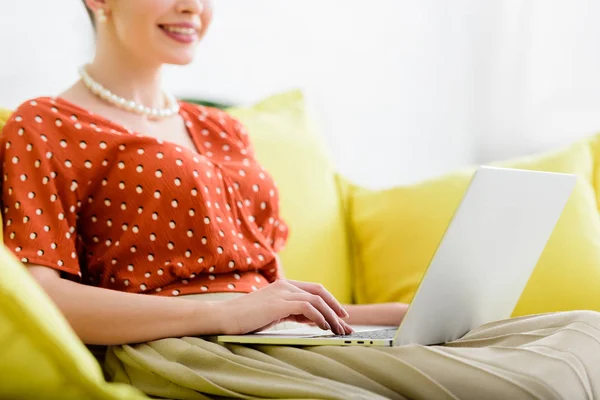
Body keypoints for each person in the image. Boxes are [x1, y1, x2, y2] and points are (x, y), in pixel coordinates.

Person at [2, 1, 599, 399]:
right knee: (536, 384)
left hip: (263, 339)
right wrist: (223, 313)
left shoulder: (222, 131)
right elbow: (45, 299)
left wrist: (383, 318)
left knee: (585, 335)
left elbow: (272, 302)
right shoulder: (43, 125)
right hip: (179, 349)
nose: (194, 7)